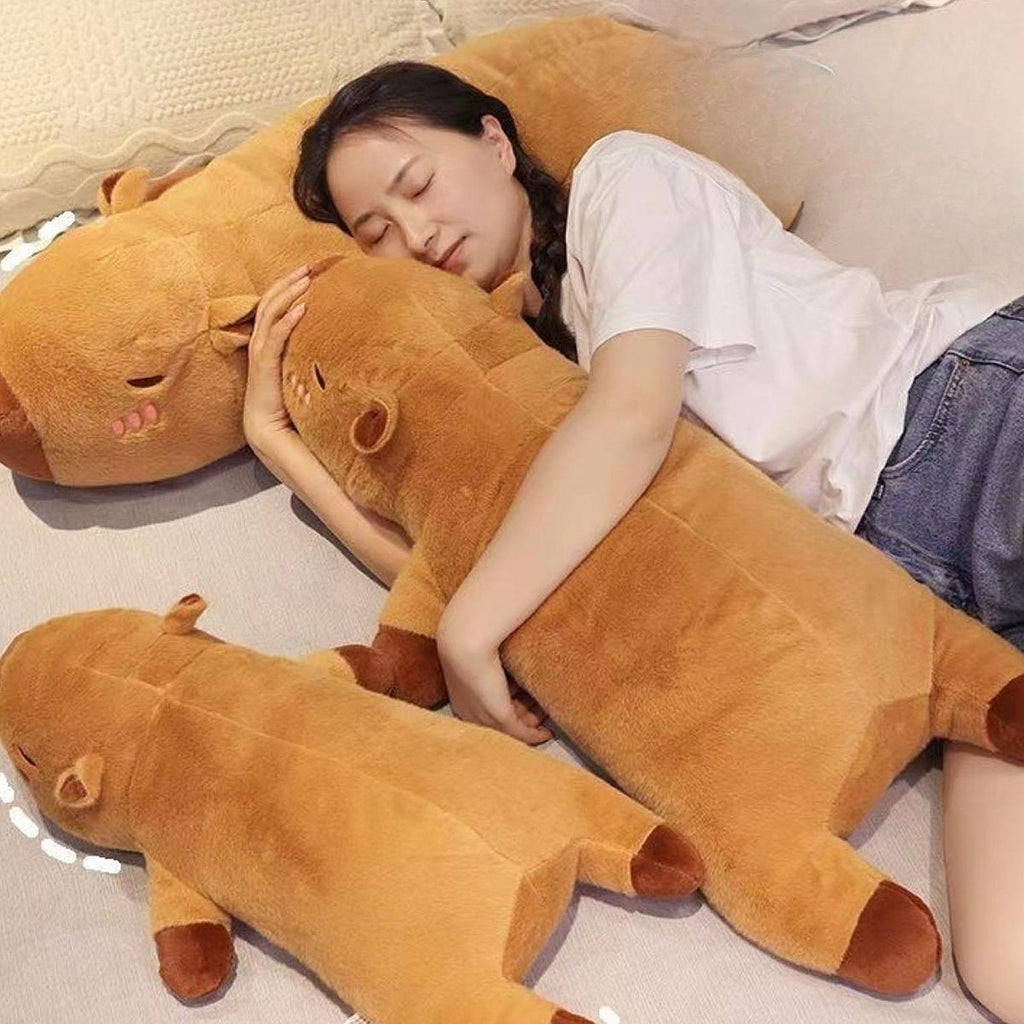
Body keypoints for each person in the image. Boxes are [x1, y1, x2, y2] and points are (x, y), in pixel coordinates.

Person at [242, 60, 1024, 1022]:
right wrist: (276, 441)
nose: (415, 232)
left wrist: (469, 630)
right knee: (1003, 963)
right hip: (921, 598)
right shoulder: (534, 379)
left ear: (495, 141)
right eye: (377, 234)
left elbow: (633, 418)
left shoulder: (624, 181)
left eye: (417, 184)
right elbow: (460, 560)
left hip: (960, 421)